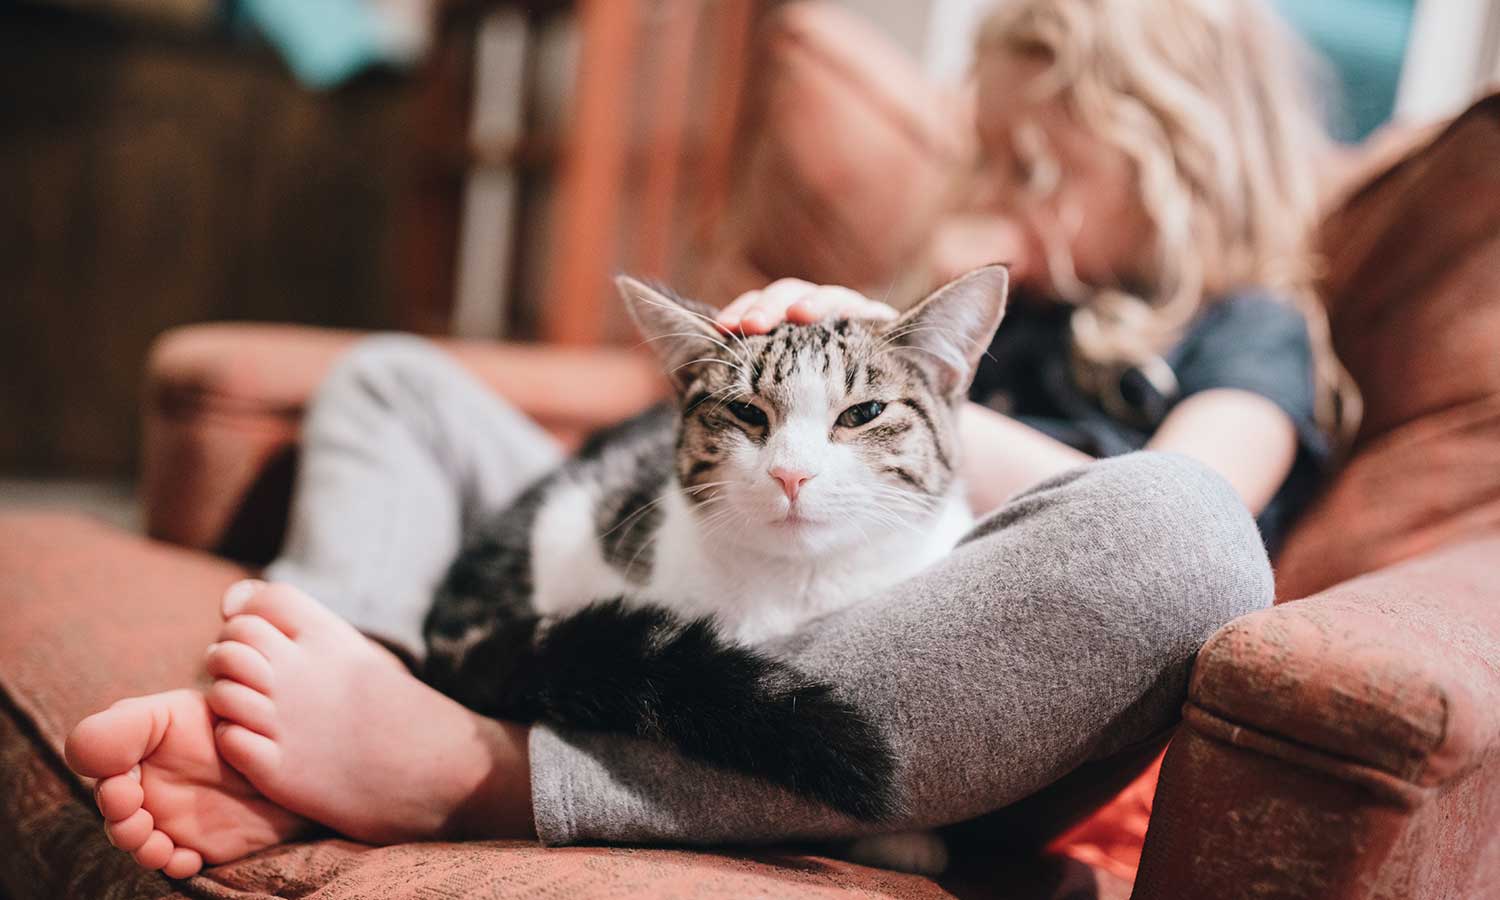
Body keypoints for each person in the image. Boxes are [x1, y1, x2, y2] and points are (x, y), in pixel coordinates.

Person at [62, 0, 1344, 879]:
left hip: (938, 660)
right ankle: (339, 660)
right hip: (695, 543)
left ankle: (484, 770)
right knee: (391, 379)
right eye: (988, 156)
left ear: (1179, 148)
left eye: (1034, 162)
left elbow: (1208, 497)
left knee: (1176, 535)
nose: (995, 192)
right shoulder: (968, 293)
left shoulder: (1246, 328)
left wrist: (925, 388)